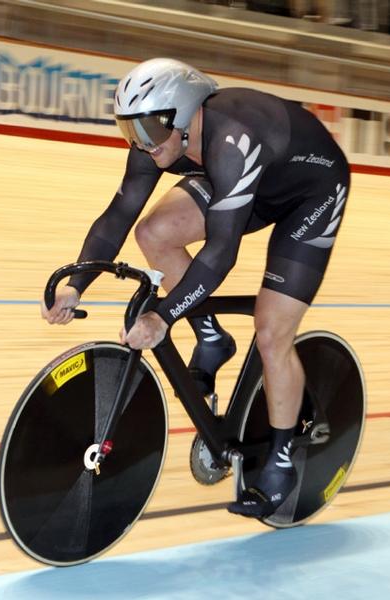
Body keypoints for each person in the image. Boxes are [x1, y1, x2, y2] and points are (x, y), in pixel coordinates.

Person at [41, 58, 350, 519]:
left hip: (312, 194)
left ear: (182, 116)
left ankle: (283, 458)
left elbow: (221, 254)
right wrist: (76, 285)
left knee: (271, 334)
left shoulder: (230, 140)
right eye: (129, 131)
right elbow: (118, 216)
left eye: (146, 130)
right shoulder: (160, 141)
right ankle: (211, 337)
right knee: (153, 233)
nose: (139, 143)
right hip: (247, 183)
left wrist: (162, 317)